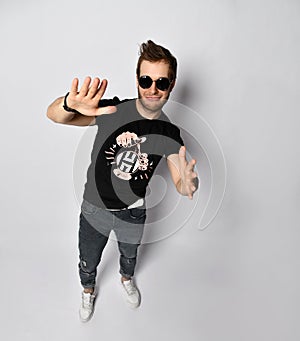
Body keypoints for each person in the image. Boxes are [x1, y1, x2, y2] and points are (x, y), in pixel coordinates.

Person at [47, 40, 198, 322]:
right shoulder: (111, 112)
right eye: (146, 80)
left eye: (161, 82)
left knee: (129, 255)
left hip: (134, 212)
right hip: (95, 209)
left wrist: (189, 185)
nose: (152, 88)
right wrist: (68, 103)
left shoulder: (169, 133)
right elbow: (55, 116)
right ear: (137, 80)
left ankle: (126, 279)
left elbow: (181, 180)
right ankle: (88, 289)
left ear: (172, 84)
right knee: (88, 260)